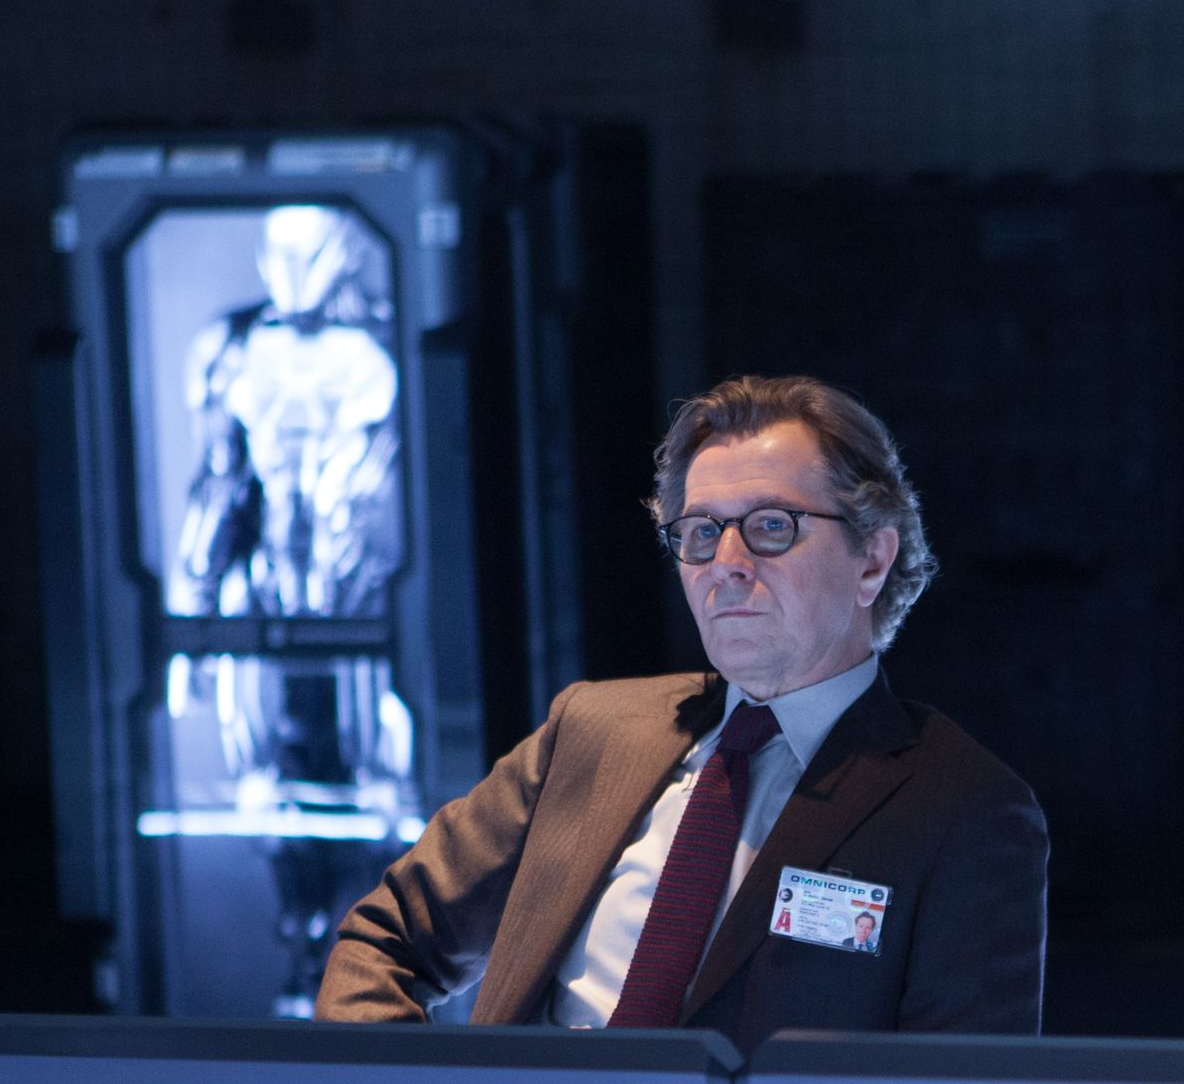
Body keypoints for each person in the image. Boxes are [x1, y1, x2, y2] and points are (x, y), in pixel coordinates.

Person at [316, 376, 1047, 1049]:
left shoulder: (963, 810)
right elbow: (387, 940)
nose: (726, 562)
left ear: (872, 561)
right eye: (700, 532)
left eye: (771, 526)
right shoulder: (591, 731)